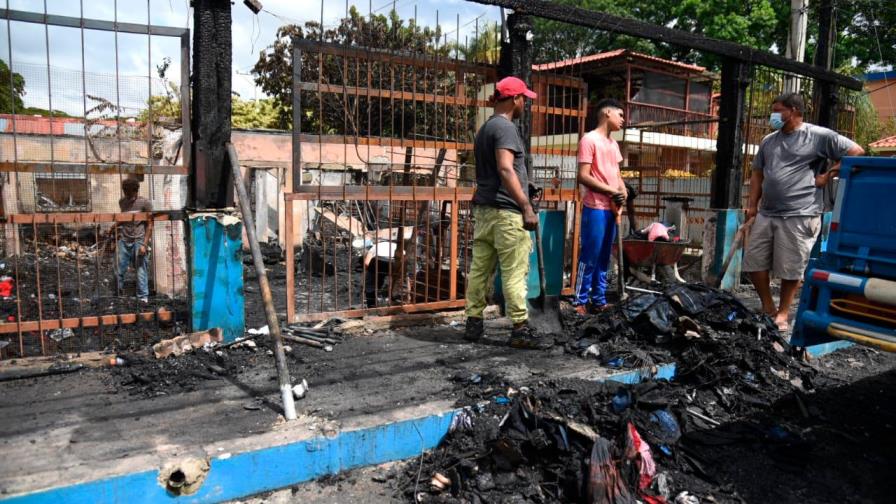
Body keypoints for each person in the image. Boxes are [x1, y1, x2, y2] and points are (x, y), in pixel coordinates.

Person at [743, 92, 864, 331]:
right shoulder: (769, 141)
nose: (773, 115)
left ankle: (783, 314)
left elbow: (857, 152)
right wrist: (752, 205)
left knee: (791, 268)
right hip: (767, 212)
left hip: (800, 213)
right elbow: (757, 174)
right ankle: (767, 307)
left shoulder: (818, 136)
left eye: (778, 111)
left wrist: (828, 175)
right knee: (753, 262)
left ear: (795, 111)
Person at [463, 76, 549, 349]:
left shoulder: (485, 129)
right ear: (515, 99)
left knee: (480, 270)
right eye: (524, 99)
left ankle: (473, 322)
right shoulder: (506, 128)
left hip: (485, 211)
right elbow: (504, 168)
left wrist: (525, 184)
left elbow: (495, 171)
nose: (525, 104)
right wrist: (526, 206)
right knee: (513, 272)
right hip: (507, 214)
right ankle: (520, 329)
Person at [573, 98, 627, 315]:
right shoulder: (589, 140)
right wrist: (611, 191)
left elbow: (617, 174)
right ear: (607, 113)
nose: (623, 120)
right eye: (620, 115)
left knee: (604, 256)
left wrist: (622, 191)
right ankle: (579, 301)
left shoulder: (614, 144)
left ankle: (599, 300)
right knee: (590, 255)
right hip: (595, 207)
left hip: (612, 209)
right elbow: (583, 176)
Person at [116, 178, 153, 302]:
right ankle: (118, 295)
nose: (128, 196)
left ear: (136, 191)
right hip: (124, 239)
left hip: (139, 240)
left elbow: (150, 224)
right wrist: (114, 226)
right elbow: (123, 219)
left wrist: (144, 244)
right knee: (119, 268)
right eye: (125, 192)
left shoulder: (145, 203)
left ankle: (143, 298)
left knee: (141, 269)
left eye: (130, 193)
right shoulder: (122, 202)